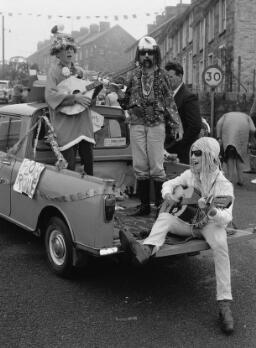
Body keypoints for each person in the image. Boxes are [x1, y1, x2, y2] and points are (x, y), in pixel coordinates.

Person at [119, 137, 235, 334]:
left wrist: (213, 211)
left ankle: (224, 304)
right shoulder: (189, 175)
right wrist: (169, 196)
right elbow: (168, 184)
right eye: (192, 152)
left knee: (221, 246)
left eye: (198, 154)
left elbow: (226, 218)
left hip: (208, 225)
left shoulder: (223, 185)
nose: (192, 157)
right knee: (164, 216)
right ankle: (146, 249)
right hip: (187, 224)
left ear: (210, 156)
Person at [115, 36, 183, 216]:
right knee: (140, 165)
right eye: (143, 53)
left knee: (156, 165)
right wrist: (117, 92)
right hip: (137, 123)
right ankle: (144, 206)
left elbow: (169, 102)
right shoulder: (133, 75)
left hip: (156, 124)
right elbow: (125, 101)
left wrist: (177, 125)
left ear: (156, 55)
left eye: (150, 53)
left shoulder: (162, 76)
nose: (146, 56)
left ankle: (161, 206)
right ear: (139, 54)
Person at [45, 25, 95, 175]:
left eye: (71, 49)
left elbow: (89, 93)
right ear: (57, 53)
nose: (69, 52)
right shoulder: (53, 71)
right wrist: (74, 98)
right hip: (65, 125)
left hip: (83, 122)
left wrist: (94, 92)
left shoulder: (80, 71)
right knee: (70, 165)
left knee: (89, 161)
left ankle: (91, 193)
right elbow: (50, 95)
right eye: (65, 49)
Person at [164, 61, 202, 164]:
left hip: (181, 153)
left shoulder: (188, 97)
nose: (167, 81)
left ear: (180, 76)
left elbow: (195, 126)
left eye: (170, 77)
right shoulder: (167, 96)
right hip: (166, 150)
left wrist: (178, 145)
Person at [216, 110, 256, 186]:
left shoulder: (226, 115)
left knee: (230, 156)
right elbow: (253, 129)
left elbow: (219, 123)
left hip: (228, 137)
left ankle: (230, 179)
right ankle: (240, 179)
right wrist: (250, 138)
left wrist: (219, 137)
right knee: (240, 157)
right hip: (242, 138)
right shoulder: (246, 116)